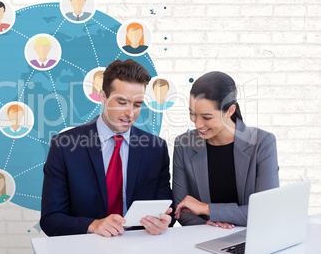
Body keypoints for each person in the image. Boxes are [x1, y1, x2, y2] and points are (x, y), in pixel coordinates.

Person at [40, 59, 173, 237]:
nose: (130, 113)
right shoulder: (64, 146)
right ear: (103, 97)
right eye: (122, 102)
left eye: (137, 104)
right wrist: (94, 225)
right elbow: (50, 220)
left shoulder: (156, 148)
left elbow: (165, 210)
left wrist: (164, 222)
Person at [173, 71, 279, 228]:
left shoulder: (262, 143)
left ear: (230, 111)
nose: (197, 124)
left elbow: (266, 211)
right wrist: (208, 223)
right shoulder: (183, 145)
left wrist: (207, 209)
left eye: (207, 117)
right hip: (203, 237)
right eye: (192, 114)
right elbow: (181, 209)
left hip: (252, 238)